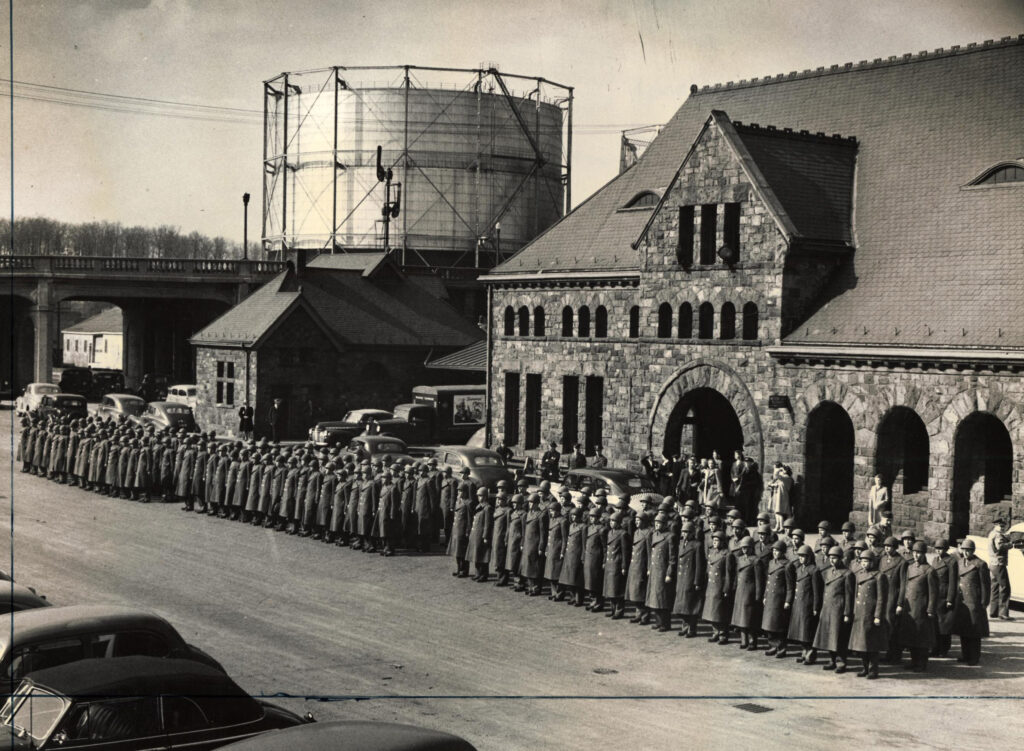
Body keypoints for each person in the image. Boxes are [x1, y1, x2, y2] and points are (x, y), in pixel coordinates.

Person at [813, 545, 855, 673]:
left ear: (841, 558)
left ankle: (841, 662)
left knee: (839, 637)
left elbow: (849, 595)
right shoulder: (828, 572)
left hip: (839, 609)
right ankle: (832, 659)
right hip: (828, 609)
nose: (832, 560)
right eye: (830, 557)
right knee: (828, 636)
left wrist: (847, 613)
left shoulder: (848, 574)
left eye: (835, 558)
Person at [897, 540, 938, 672]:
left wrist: (931, 609)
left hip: (922, 608)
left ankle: (922, 663)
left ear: (924, 554)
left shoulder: (929, 570)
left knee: (922, 637)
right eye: (914, 552)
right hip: (910, 607)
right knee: (912, 636)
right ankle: (914, 661)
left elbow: (933, 593)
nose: (916, 555)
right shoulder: (909, 568)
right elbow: (905, 587)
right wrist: (901, 604)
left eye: (919, 553)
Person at [849, 549, 887, 679]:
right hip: (860, 613)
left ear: (872, 562)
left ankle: (873, 670)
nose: (864, 564)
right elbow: (855, 595)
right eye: (862, 561)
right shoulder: (858, 575)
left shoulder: (879, 576)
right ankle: (864, 667)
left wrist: (877, 615)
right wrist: (854, 610)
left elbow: (881, 598)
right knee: (861, 644)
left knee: (871, 644)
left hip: (870, 614)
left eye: (867, 561)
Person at [952, 538, 990, 666]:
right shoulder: (959, 563)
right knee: (964, 630)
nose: (966, 553)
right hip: (962, 602)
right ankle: (965, 655)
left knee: (974, 631)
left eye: (968, 550)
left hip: (974, 601)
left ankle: (974, 657)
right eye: (964, 550)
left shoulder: (980, 564)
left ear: (973, 551)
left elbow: (985, 585)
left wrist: (984, 602)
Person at [731, 536, 764, 650]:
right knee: (740, 617)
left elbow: (759, 580)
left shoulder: (756, 560)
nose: (744, 550)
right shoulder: (740, 559)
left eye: (747, 548)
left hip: (750, 592)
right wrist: (734, 587)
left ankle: (752, 642)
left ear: (751, 548)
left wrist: (758, 596)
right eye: (743, 548)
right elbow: (737, 576)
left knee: (749, 618)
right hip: (740, 591)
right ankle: (743, 640)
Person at [645, 511, 675, 632]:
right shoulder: (654, 535)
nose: (657, 525)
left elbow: (672, 558)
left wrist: (669, 573)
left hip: (662, 571)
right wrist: (649, 568)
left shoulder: (670, 536)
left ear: (664, 524)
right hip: (654, 570)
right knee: (654, 598)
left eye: (660, 523)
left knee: (663, 598)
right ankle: (658, 621)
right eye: (656, 523)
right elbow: (650, 554)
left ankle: (665, 623)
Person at [879, 536, 906, 664]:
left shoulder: (901, 562)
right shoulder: (882, 559)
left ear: (895, 548)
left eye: (889, 546)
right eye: (885, 546)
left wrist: (900, 603)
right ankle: (887, 653)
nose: (887, 548)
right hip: (883, 597)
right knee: (884, 626)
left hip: (893, 598)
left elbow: (903, 584)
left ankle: (895, 655)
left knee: (893, 627)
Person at [761, 540, 791, 657]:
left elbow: (790, 585)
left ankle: (781, 648)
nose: (775, 553)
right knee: (769, 624)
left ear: (783, 552)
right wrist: (765, 596)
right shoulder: (771, 563)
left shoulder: (787, 565)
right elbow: (768, 582)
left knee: (779, 624)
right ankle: (772, 645)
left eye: (777, 550)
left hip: (780, 598)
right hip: (770, 597)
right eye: (773, 550)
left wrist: (788, 600)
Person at [703, 529, 733, 643]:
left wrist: (726, 588)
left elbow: (728, 574)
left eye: (717, 540)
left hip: (720, 586)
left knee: (720, 611)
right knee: (712, 610)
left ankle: (723, 634)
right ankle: (715, 632)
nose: (714, 542)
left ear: (722, 542)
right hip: (711, 585)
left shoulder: (727, 555)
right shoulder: (712, 553)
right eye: (714, 540)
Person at [930, 537, 957, 657]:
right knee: (935, 624)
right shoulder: (935, 560)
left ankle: (944, 649)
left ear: (946, 549)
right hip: (935, 595)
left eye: (940, 548)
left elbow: (953, 581)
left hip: (944, 595)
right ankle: (935, 648)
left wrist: (950, 599)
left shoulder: (951, 561)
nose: (938, 551)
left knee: (944, 625)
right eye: (937, 548)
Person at [602, 510, 631, 619]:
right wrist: (605, 561)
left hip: (617, 563)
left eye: (614, 521)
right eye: (610, 521)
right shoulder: (610, 532)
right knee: (610, 588)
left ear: (619, 522)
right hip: (610, 563)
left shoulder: (623, 534)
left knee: (617, 589)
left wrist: (624, 566)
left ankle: (619, 610)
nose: (611, 523)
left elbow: (625, 552)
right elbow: (607, 548)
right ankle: (612, 609)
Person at [520, 492, 547, 596]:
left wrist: (541, 546)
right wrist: (522, 543)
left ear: (537, 503)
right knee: (527, 566)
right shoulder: (528, 514)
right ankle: (530, 586)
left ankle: (536, 588)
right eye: (529, 502)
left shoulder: (541, 515)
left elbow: (543, 533)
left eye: (532, 503)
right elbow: (524, 531)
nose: (530, 504)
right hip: (527, 543)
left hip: (535, 544)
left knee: (535, 567)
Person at [559, 506, 586, 606]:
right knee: (569, 578)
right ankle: (572, 597)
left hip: (577, 554)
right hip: (569, 554)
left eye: (575, 515)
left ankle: (579, 599)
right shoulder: (571, 526)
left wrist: (583, 556)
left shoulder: (583, 527)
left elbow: (584, 544)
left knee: (577, 578)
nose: (573, 517)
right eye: (572, 515)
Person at [467, 487, 493, 581]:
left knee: (483, 555)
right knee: (476, 554)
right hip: (476, 534)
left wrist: (486, 536)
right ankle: (478, 573)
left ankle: (483, 574)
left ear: (485, 496)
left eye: (481, 496)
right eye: (478, 496)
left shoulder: (488, 508)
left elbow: (487, 524)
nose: (479, 497)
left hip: (482, 535)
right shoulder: (479, 506)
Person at [544, 495, 567, 600]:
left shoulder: (563, 521)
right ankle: (554, 592)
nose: (551, 513)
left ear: (558, 511)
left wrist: (562, 551)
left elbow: (564, 538)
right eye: (550, 511)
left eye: (553, 511)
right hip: (551, 549)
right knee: (550, 573)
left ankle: (559, 593)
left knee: (557, 573)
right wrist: (546, 549)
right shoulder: (552, 520)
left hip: (557, 550)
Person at [988, 518, 1012, 620]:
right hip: (999, 564)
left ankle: (993, 612)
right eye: (1001, 526)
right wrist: (1011, 545)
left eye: (1003, 526)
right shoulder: (997, 535)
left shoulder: (992, 533)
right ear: (996, 525)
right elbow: (1000, 547)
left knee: (995, 588)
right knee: (1005, 587)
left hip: (993, 564)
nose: (1002, 528)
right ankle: (1003, 613)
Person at [583, 508, 607, 611]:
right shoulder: (589, 528)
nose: (592, 519)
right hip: (589, 558)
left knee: (596, 581)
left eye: (594, 517)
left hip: (597, 559)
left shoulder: (602, 529)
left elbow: (605, 547)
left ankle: (599, 602)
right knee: (589, 581)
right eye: (591, 517)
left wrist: (604, 560)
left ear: (598, 518)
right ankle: (593, 600)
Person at [491, 484, 512, 586]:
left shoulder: (508, 511)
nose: (499, 501)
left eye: (501, 499)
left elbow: (509, 526)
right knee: (496, 557)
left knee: (501, 557)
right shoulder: (497, 509)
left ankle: (503, 578)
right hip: (496, 536)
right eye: (498, 499)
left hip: (502, 537)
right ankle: (499, 576)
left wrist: (506, 538)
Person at [767, 463, 792, 532]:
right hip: (778, 496)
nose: (780, 472)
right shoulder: (782, 478)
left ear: (785, 471)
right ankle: (777, 526)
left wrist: (779, 469)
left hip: (782, 496)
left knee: (779, 512)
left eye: (782, 470)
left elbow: (776, 475)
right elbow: (774, 482)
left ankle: (781, 527)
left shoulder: (786, 478)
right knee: (776, 512)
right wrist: (772, 484)